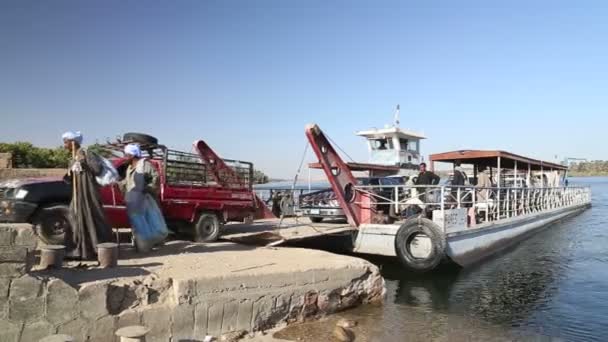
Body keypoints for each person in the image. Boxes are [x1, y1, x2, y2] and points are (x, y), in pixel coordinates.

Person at [62, 131, 112, 260]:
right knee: (74, 218)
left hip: (88, 193)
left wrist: (84, 163)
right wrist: (69, 173)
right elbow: (71, 177)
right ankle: (78, 251)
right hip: (78, 194)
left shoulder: (87, 153)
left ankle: (98, 250)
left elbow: (97, 169)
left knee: (93, 218)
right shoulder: (72, 158)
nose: (64, 145)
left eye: (66, 142)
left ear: (74, 142)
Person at [121, 144, 168, 252]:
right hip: (133, 199)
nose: (125, 157)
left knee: (146, 222)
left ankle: (146, 246)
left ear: (132, 155)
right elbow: (128, 182)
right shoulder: (130, 167)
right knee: (137, 223)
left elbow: (156, 177)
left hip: (143, 199)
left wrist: (147, 188)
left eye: (126, 155)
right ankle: (141, 245)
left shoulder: (144, 164)